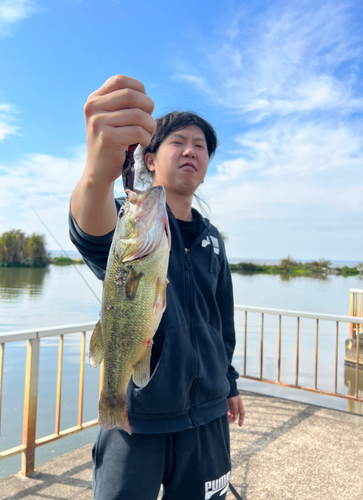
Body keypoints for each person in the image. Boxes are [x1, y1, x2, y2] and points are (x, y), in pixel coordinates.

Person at [69, 75, 245, 500]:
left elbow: (221, 322)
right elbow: (91, 231)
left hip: (208, 418)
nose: (191, 151)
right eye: (178, 142)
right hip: (136, 419)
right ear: (149, 160)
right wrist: (96, 175)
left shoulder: (213, 240)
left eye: (200, 146)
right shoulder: (131, 220)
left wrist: (230, 383)